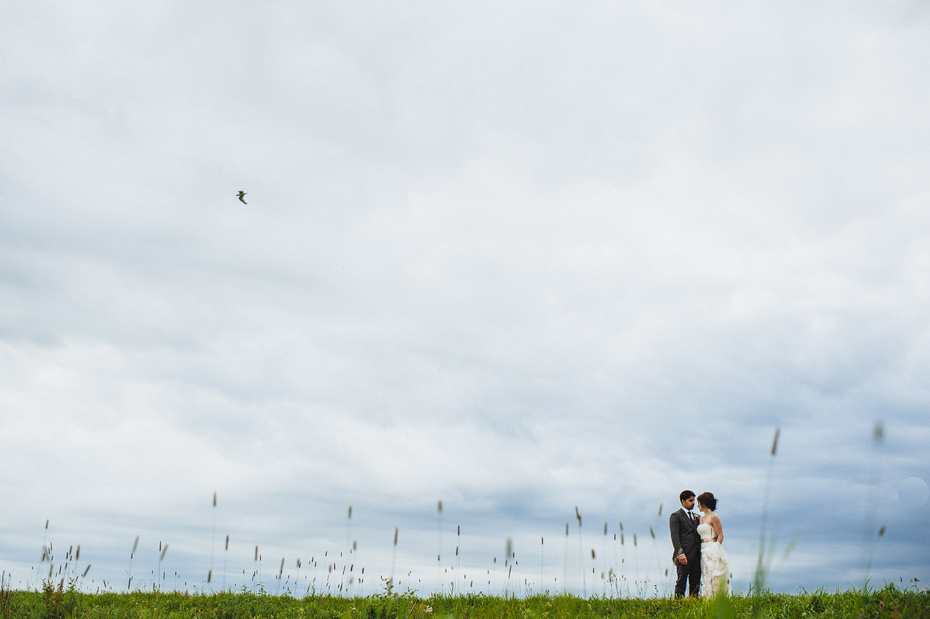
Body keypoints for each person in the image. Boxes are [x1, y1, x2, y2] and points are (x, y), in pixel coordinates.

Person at [696, 491, 732, 598]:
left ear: (704, 503)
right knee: (706, 574)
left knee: (714, 574)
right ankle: (707, 597)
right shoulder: (700, 519)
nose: (697, 506)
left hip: (712, 547)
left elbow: (720, 535)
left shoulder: (714, 517)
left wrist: (715, 548)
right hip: (702, 548)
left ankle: (717, 598)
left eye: (699, 503)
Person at [669, 489, 701, 597]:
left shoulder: (696, 517)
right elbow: (675, 535)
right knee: (682, 581)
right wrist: (680, 553)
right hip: (684, 554)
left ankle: (694, 604)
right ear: (683, 502)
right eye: (690, 500)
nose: (693, 503)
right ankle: (678, 605)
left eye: (693, 500)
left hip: (696, 554)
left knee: (695, 582)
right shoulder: (676, 516)